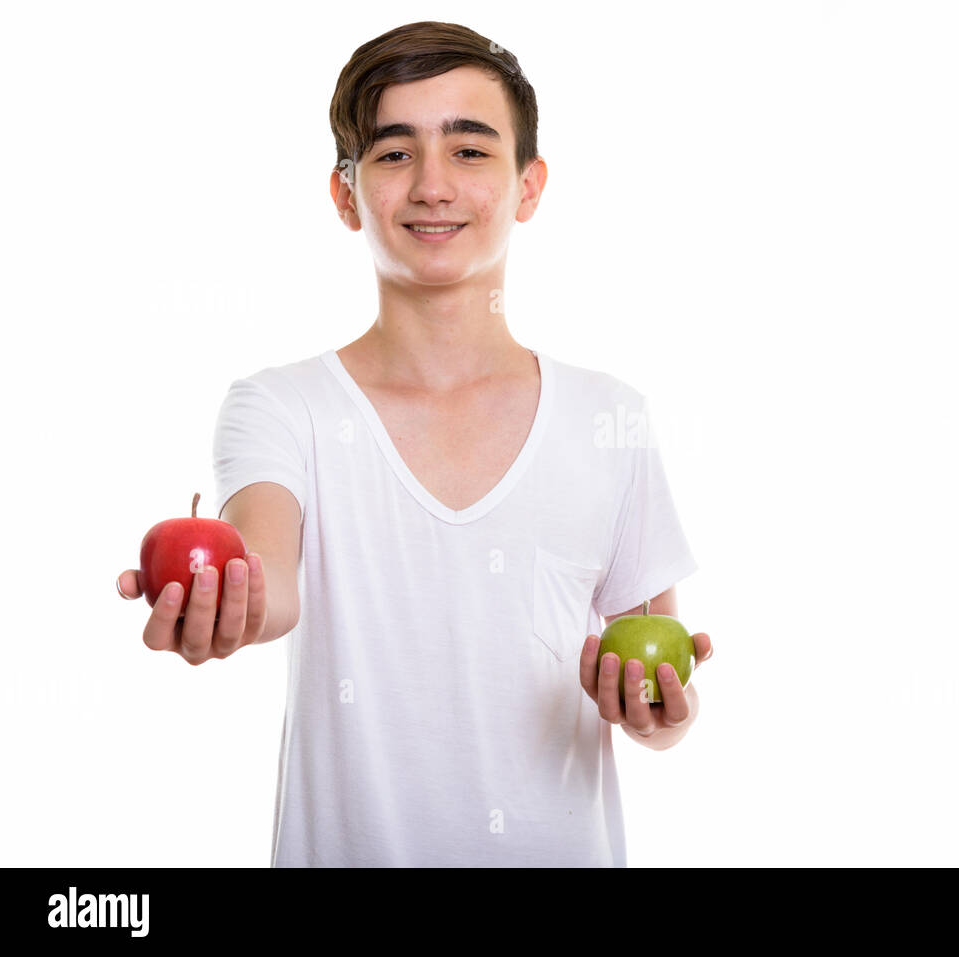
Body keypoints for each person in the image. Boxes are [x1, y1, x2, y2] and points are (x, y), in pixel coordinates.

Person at [115, 21, 710, 867]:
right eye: (394, 154)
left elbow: (654, 690)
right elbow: (270, 582)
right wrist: (230, 607)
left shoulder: (610, 417)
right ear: (346, 195)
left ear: (528, 185)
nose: (433, 185)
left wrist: (666, 714)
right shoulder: (282, 408)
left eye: (469, 150)